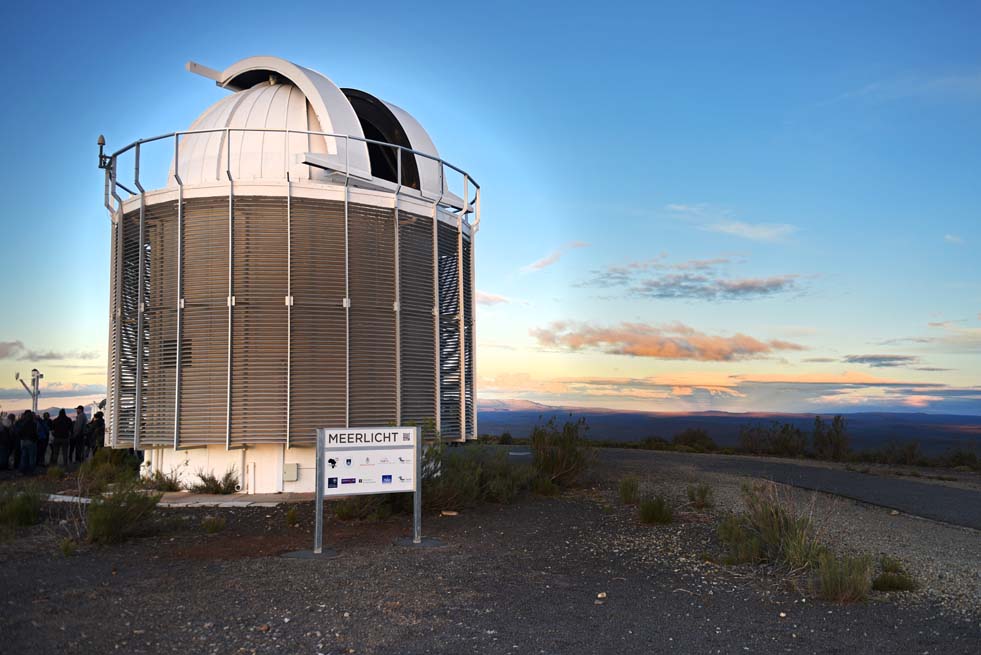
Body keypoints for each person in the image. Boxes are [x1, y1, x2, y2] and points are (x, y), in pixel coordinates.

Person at [16, 410, 38, 474]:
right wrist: (35, 439)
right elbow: (35, 433)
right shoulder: (34, 424)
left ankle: (23, 470)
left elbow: (19, 432)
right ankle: (31, 470)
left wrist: (22, 438)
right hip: (31, 441)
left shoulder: (22, 423)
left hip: (23, 441)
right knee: (32, 456)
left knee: (24, 456)